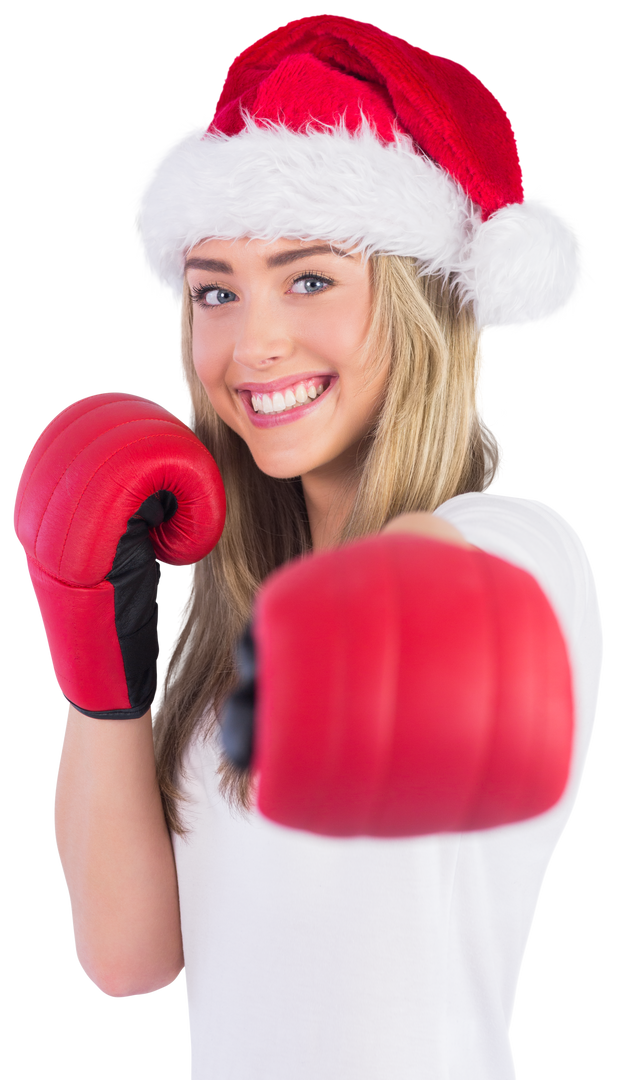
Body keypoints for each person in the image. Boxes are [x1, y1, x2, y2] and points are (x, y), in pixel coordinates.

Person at [12, 13, 604, 1080]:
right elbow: (126, 956)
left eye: (310, 278)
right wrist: (97, 655)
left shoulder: (517, 548)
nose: (254, 343)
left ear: (422, 303)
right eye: (215, 291)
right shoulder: (226, 635)